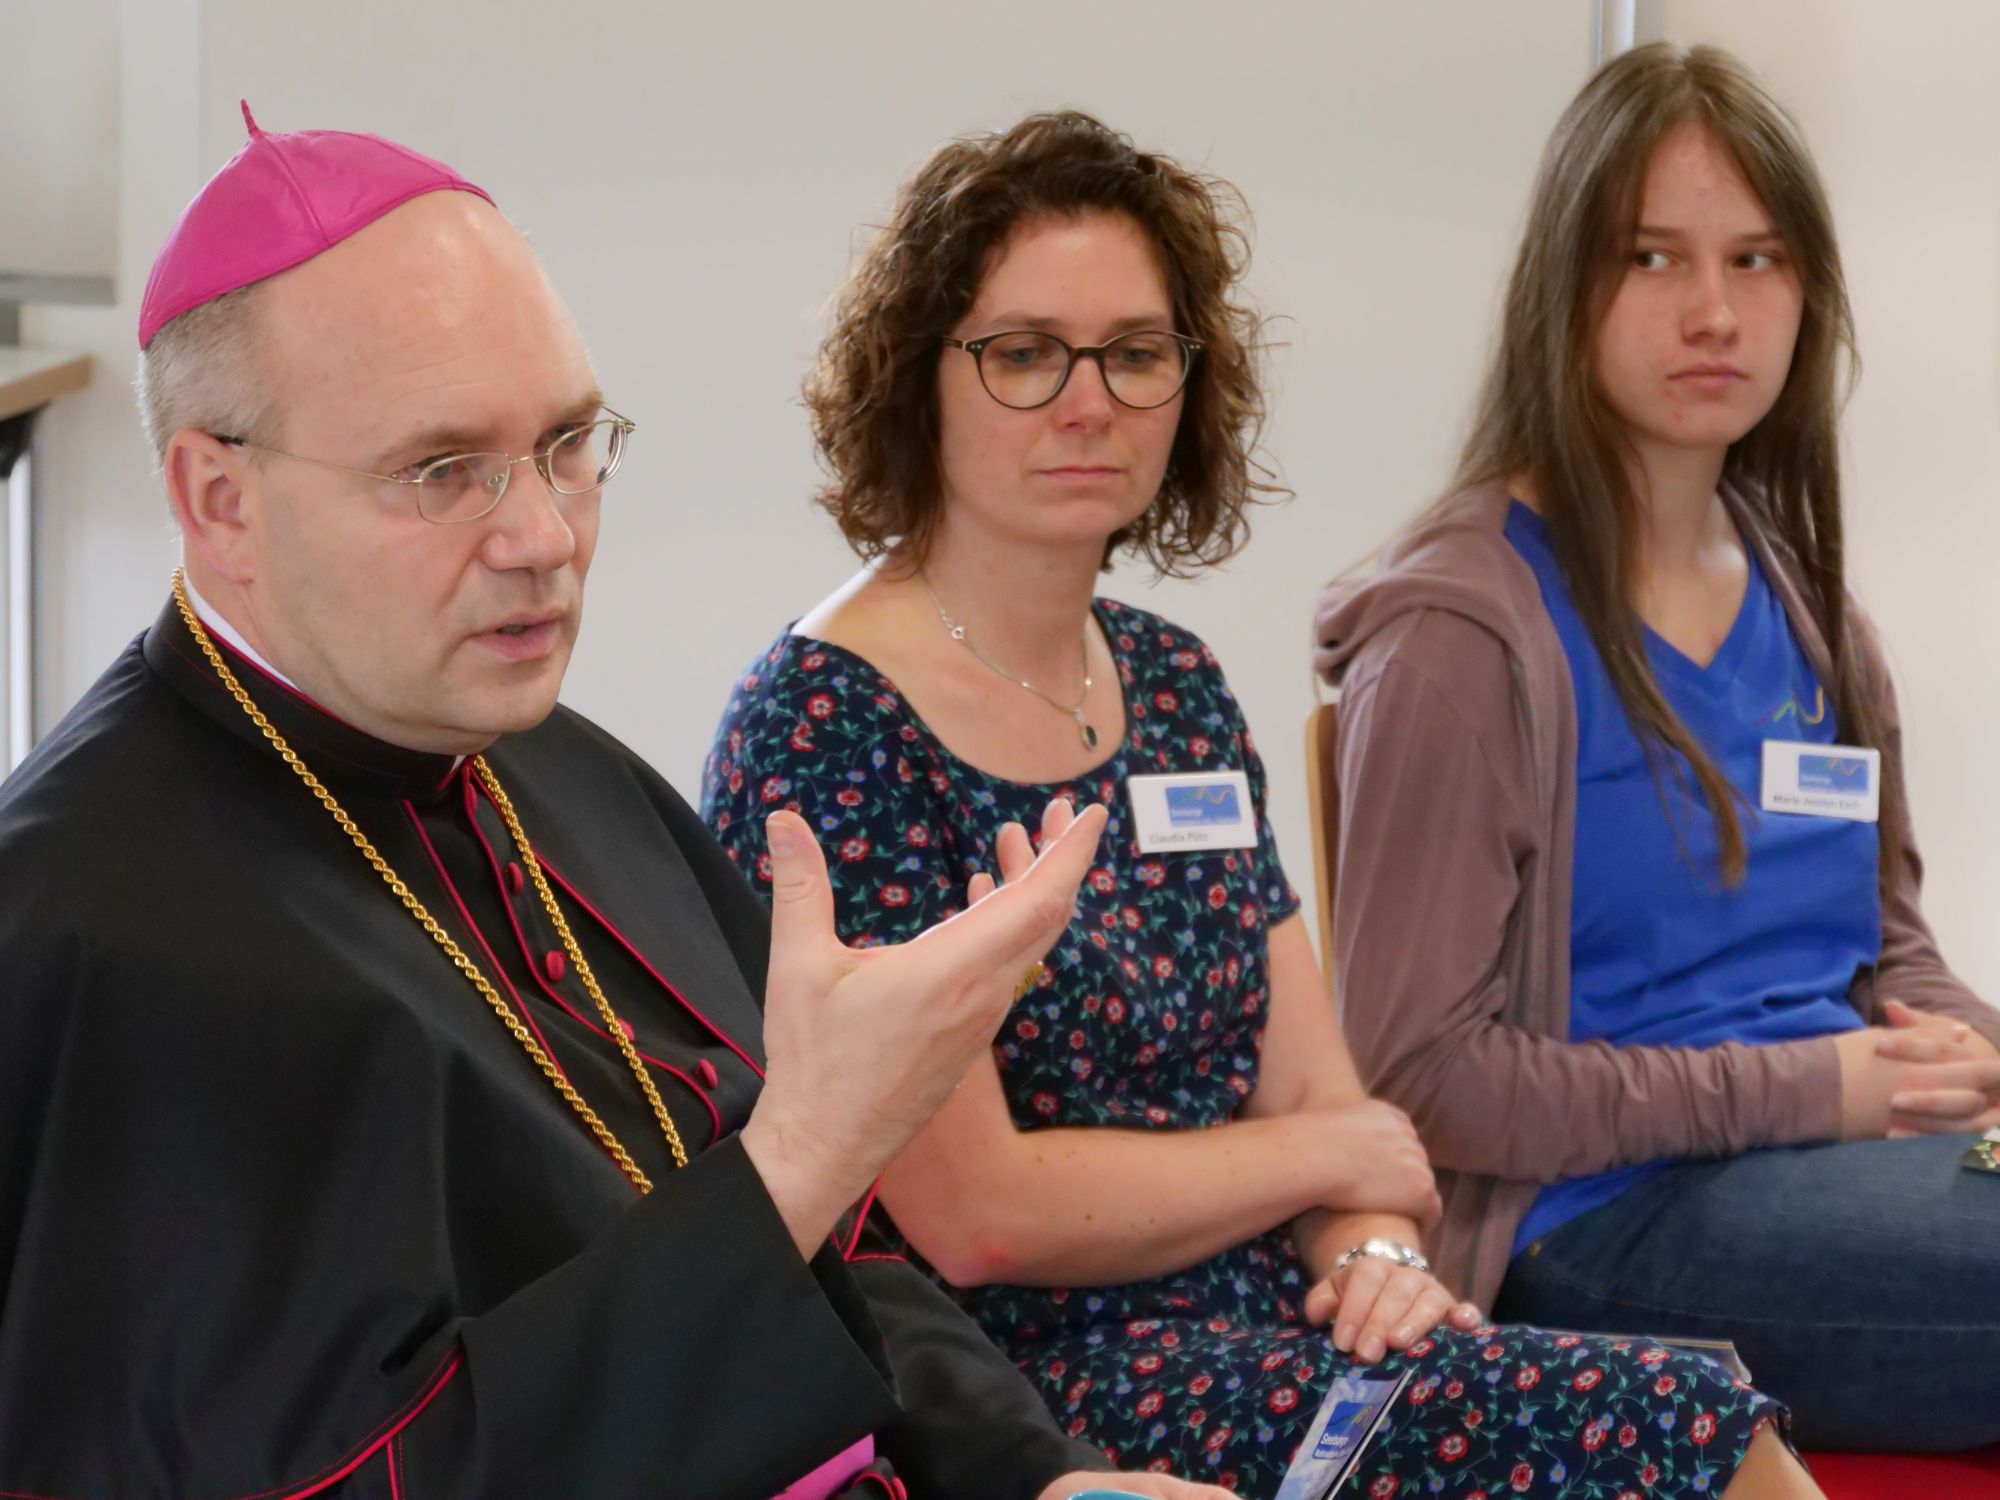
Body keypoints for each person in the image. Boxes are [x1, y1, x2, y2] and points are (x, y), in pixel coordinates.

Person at [0, 105, 1237, 1500]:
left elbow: (835, 1253)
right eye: (443, 472)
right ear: (217, 499)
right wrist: (805, 1155)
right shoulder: (87, 930)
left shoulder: (561, 772)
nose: (543, 538)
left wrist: (1036, 1475)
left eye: (570, 443)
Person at [704, 110, 1824, 1498]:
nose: (1087, 401)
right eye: (1022, 353)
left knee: (1691, 1403)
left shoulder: (1172, 680)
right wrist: (1321, 1159)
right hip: (1019, 1391)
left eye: (1135, 353)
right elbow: (980, 1215)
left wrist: (1370, 1250)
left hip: (1282, 1322)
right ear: (914, 378)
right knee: (1688, 1426)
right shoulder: (824, 718)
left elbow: (1318, 1081)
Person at [1312, 44, 2000, 1453]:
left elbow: (1889, 953)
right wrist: (1817, 1088)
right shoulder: (1461, 635)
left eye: (1757, 262)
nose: (1713, 312)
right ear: (1566, 290)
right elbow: (1420, 1076)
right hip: (1597, 1226)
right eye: (1653, 258)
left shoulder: (1816, 615)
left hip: (1840, 1165)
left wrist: (1974, 1056)